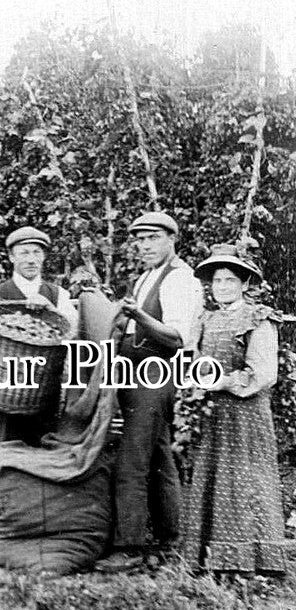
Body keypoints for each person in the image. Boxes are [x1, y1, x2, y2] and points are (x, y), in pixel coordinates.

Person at [99, 211, 205, 571]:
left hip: (155, 376)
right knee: (159, 458)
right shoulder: (146, 277)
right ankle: (169, 542)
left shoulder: (181, 280)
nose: (144, 246)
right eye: (140, 240)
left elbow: (177, 338)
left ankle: (129, 548)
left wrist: (138, 316)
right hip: (134, 375)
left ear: (171, 239)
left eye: (152, 239)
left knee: (132, 461)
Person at [180, 245, 286, 577]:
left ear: (244, 284)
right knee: (217, 479)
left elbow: (265, 373)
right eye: (217, 281)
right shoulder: (206, 319)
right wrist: (194, 381)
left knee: (245, 481)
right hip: (214, 415)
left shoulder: (258, 317)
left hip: (246, 413)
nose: (222, 287)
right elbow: (194, 360)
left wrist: (221, 382)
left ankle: (254, 562)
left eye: (229, 280)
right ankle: (213, 559)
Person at [0, 227, 78, 447]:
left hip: (46, 393)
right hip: (7, 393)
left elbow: (75, 336)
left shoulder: (59, 295)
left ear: (43, 256)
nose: (31, 260)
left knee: (43, 451)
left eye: (36, 253)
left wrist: (51, 308)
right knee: (4, 447)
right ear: (12, 257)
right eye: (24, 253)